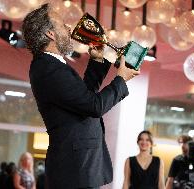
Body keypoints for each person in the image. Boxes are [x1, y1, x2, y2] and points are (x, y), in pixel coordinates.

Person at [22, 3, 140, 189]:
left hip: (79, 168)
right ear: (50, 34)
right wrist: (121, 80)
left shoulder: (51, 65)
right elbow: (94, 107)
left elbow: (84, 100)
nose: (68, 27)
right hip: (75, 170)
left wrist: (97, 60)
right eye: (61, 24)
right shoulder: (47, 68)